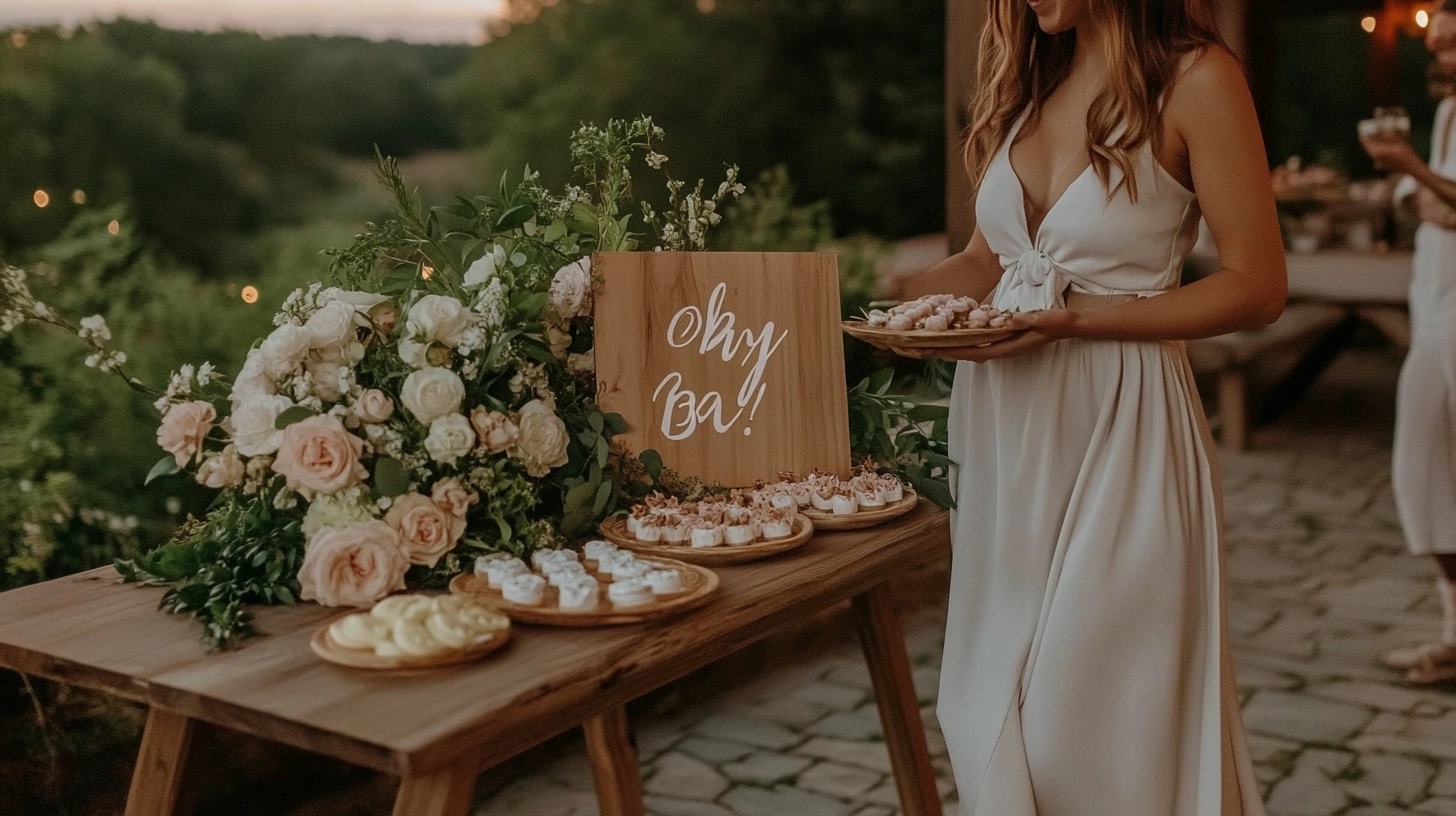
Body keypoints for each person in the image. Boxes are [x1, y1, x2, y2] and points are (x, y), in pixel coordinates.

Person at [869, 0, 1287, 812]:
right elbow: (988, 262)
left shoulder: (1198, 80)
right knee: (986, 698)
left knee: (1090, 730)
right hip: (1003, 439)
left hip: (1121, 428)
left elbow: (1259, 286)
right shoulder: (1031, 87)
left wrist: (1078, 322)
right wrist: (867, 304)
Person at [1362, 2, 1456, 685]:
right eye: (1439, 45)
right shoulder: (1452, 111)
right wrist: (1414, 190)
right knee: (1421, 466)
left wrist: (1417, 173)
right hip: (1434, 297)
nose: (1440, 55)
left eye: (1451, 45)